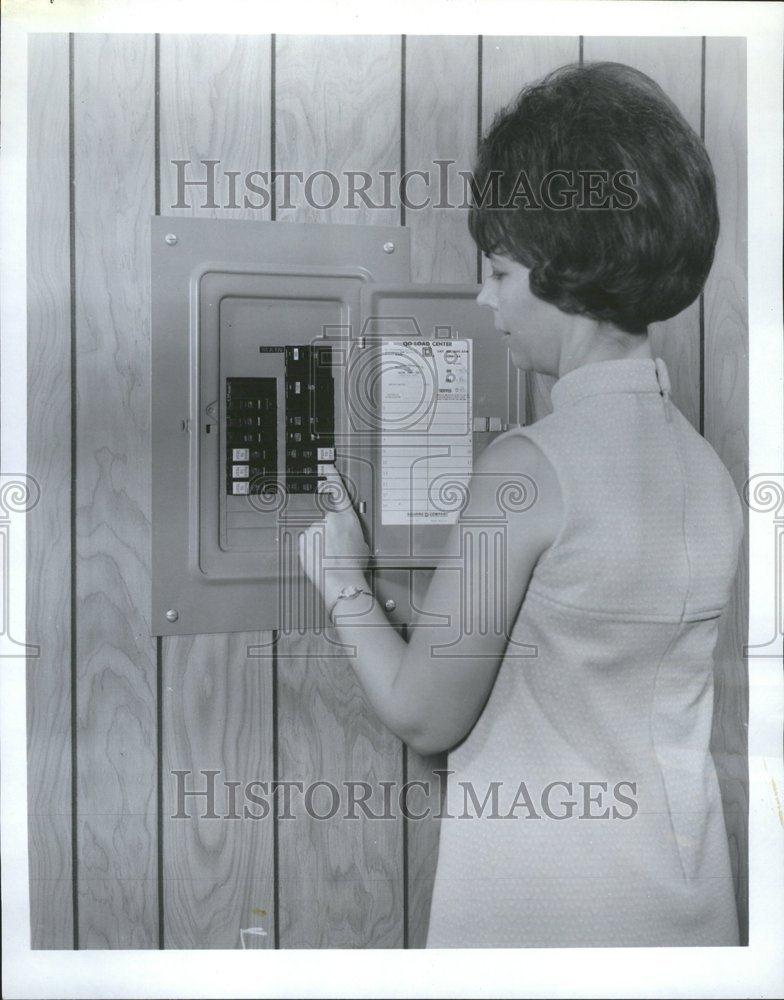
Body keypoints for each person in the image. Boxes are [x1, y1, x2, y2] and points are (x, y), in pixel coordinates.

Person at [298, 62, 744, 948]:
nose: (483, 297)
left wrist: (341, 576)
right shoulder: (707, 471)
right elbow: (578, 659)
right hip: (686, 917)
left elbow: (427, 714)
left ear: (566, 274)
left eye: (500, 271)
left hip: (544, 919)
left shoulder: (528, 467)